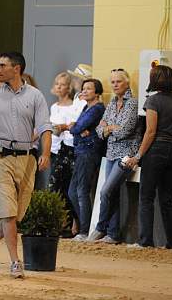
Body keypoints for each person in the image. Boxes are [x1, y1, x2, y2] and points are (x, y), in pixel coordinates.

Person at [0, 51, 52, 278]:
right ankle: (15, 262)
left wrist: (45, 153)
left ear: (16, 68)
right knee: (8, 214)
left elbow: (45, 128)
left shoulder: (36, 96)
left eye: (2, 66)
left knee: (16, 215)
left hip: (27, 158)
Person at [125, 65, 172, 250]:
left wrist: (138, 156)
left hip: (156, 151)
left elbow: (151, 131)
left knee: (146, 197)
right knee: (167, 199)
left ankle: (146, 242)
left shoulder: (153, 101)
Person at [88, 69, 139, 244]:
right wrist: (109, 128)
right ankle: (113, 234)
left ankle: (100, 227)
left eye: (118, 81)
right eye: (113, 82)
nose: (115, 85)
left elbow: (125, 131)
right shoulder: (111, 104)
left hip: (126, 155)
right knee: (112, 192)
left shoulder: (132, 103)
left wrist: (108, 128)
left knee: (106, 191)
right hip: (110, 153)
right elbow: (99, 130)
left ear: (127, 83)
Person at [67, 79, 106, 240]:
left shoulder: (97, 109)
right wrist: (77, 129)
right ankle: (86, 226)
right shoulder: (86, 107)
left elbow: (75, 127)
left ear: (97, 92)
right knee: (72, 192)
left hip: (88, 152)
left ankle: (85, 230)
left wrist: (76, 128)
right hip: (81, 151)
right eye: (83, 88)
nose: (84, 91)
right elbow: (77, 127)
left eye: (89, 89)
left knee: (81, 191)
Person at [45, 72, 84, 233]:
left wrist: (63, 128)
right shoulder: (54, 106)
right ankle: (58, 221)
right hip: (54, 148)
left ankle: (73, 221)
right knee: (56, 187)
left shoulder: (73, 106)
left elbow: (72, 126)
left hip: (68, 148)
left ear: (68, 88)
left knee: (67, 188)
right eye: (57, 84)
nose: (59, 87)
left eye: (62, 84)